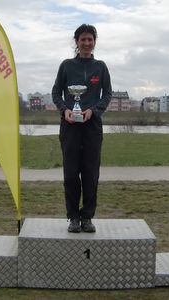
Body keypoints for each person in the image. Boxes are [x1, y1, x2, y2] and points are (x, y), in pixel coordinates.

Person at [51, 24, 112, 233]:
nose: (87, 43)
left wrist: (93, 111)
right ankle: (73, 217)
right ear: (76, 42)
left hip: (92, 125)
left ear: (94, 42)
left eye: (90, 39)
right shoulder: (66, 65)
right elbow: (56, 92)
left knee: (90, 172)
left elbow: (108, 94)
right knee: (70, 173)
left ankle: (87, 216)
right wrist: (65, 110)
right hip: (69, 126)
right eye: (83, 39)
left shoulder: (101, 67)